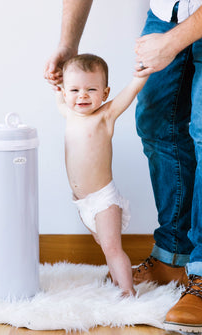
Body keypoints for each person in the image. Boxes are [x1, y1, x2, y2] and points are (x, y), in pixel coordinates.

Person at [45, 0, 202, 333]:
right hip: (167, 11)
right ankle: (173, 255)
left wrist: (171, 43)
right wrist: (68, 43)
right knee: (157, 125)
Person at [54, 53, 148, 296]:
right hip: (83, 202)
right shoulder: (69, 113)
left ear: (105, 94)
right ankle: (118, 283)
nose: (82, 95)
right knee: (105, 248)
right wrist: (54, 77)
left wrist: (142, 73)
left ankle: (128, 292)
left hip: (103, 201)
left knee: (112, 247)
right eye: (74, 90)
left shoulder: (105, 116)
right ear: (65, 93)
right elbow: (57, 91)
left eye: (91, 89)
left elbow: (129, 93)